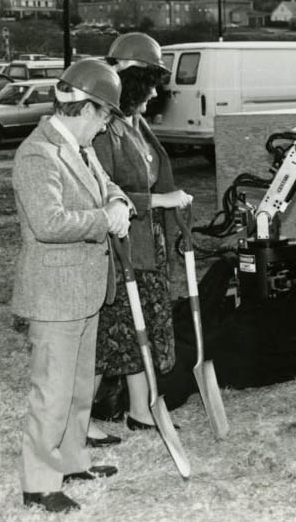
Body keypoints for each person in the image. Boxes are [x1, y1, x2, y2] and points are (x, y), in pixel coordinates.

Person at [12, 59, 131, 513]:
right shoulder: (37, 154)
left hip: (84, 289)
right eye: (103, 119)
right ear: (84, 110)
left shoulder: (81, 149)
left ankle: (74, 458)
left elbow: (109, 188)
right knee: (53, 391)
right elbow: (48, 222)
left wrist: (118, 203)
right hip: (54, 295)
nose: (103, 130)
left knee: (80, 386)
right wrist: (106, 219)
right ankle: (39, 483)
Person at [88, 33, 193, 444]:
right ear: (131, 83)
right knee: (111, 337)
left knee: (141, 330)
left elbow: (153, 171)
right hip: (119, 247)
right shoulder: (103, 127)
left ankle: (141, 409)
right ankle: (74, 421)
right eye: (149, 85)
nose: (154, 95)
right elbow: (99, 190)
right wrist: (159, 200)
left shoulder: (136, 121)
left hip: (148, 243)